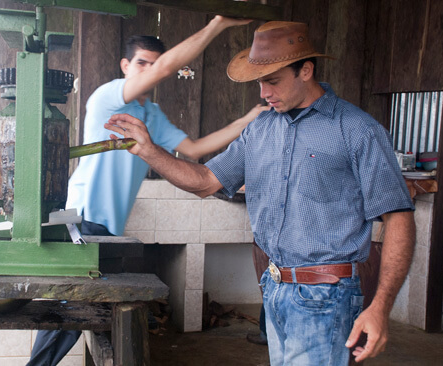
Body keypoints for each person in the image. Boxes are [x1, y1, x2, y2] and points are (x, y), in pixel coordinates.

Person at [105, 21, 415, 365]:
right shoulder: (261, 128)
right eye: (259, 82)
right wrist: (150, 151)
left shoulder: (357, 130)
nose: (264, 93)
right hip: (274, 287)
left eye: (273, 80)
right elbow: (206, 180)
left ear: (306, 70)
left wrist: (380, 307)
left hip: (328, 296)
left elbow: (398, 217)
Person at [27, 16, 269, 366]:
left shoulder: (152, 115)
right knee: (71, 314)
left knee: (89, 316)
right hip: (80, 222)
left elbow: (195, 149)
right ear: (126, 66)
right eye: (142, 64)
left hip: (109, 231)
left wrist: (246, 121)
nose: (150, 71)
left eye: (154, 64)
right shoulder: (108, 98)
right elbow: (168, 68)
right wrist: (218, 24)